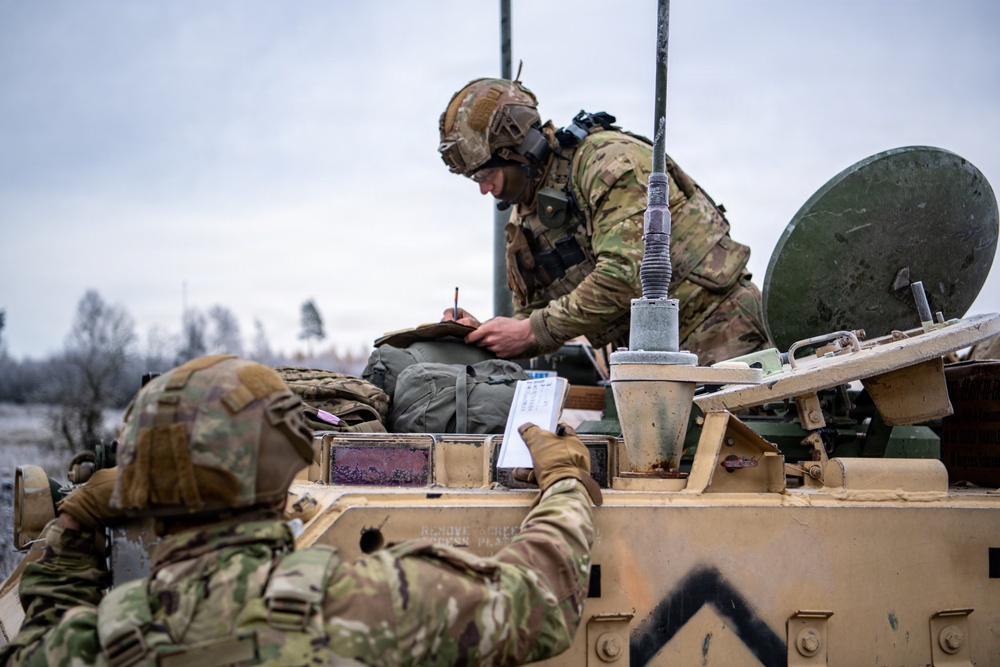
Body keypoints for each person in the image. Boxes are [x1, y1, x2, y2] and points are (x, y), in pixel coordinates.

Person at [1, 354, 601, 667]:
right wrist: (566, 481)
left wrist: (73, 524)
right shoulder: (371, 606)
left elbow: (34, 641)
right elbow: (541, 600)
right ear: (286, 460)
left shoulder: (97, 645)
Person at [438, 78, 771, 366]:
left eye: (486, 173)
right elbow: (539, 315)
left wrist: (530, 329)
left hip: (721, 333)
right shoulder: (526, 216)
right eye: (473, 179)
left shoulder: (608, 162)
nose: (484, 189)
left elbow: (626, 274)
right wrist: (489, 334)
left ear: (519, 149)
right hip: (642, 358)